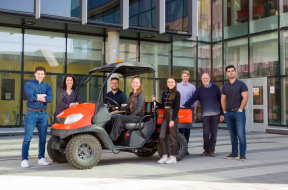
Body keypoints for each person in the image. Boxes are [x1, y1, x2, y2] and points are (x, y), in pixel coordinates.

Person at [182, 73, 224, 157]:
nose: (205, 80)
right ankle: (206, 149)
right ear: (201, 80)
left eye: (206, 78)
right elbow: (192, 99)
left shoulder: (216, 88)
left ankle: (211, 150)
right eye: (203, 78)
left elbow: (221, 101)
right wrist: (184, 106)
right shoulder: (199, 90)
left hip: (216, 114)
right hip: (205, 115)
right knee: (205, 133)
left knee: (214, 133)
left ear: (209, 78)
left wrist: (222, 114)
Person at [21, 67, 53, 168]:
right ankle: (24, 159)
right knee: (27, 138)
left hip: (43, 114)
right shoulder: (28, 84)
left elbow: (50, 98)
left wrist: (37, 97)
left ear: (44, 75)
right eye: (38, 73)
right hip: (31, 113)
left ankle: (41, 158)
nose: (40, 75)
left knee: (43, 138)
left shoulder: (47, 86)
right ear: (35, 74)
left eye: (42, 74)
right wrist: (42, 96)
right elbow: (30, 97)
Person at [221, 65, 248, 161]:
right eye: (229, 71)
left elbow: (245, 97)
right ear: (226, 73)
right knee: (233, 135)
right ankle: (234, 153)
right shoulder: (225, 86)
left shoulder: (241, 84)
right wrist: (224, 111)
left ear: (235, 72)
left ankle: (242, 154)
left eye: (232, 71)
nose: (231, 72)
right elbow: (223, 99)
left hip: (238, 113)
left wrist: (240, 109)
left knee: (241, 134)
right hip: (228, 113)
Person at [106, 76, 145, 141]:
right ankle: (107, 135)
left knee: (119, 117)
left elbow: (139, 109)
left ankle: (112, 139)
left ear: (140, 84)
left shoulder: (141, 94)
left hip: (137, 117)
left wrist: (131, 116)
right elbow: (127, 107)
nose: (135, 84)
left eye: (137, 83)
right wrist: (118, 108)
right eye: (133, 82)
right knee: (113, 118)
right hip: (132, 116)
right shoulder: (131, 94)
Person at [153, 76, 180, 164]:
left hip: (172, 114)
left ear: (175, 83)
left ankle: (173, 157)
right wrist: (155, 102)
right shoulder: (164, 93)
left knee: (173, 137)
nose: (170, 83)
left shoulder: (177, 93)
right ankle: (165, 156)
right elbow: (162, 106)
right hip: (165, 114)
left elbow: (176, 108)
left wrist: (173, 119)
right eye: (168, 82)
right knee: (161, 135)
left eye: (172, 82)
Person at [177, 70, 197, 155]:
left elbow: (195, 99)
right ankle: (181, 147)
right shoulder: (177, 86)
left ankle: (186, 148)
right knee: (181, 129)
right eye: (184, 76)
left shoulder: (192, 87)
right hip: (180, 110)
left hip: (189, 110)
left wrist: (195, 110)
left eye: (187, 76)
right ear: (181, 76)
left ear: (189, 77)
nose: (185, 78)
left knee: (188, 131)